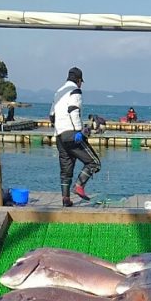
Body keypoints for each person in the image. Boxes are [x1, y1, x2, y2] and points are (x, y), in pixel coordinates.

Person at [49, 66, 101, 207]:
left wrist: (59, 128)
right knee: (94, 162)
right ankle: (79, 186)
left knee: (66, 169)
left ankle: (66, 199)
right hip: (72, 134)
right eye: (81, 82)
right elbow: (73, 110)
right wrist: (79, 130)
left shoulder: (58, 92)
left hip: (59, 136)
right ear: (78, 80)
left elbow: (51, 115)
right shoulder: (75, 91)